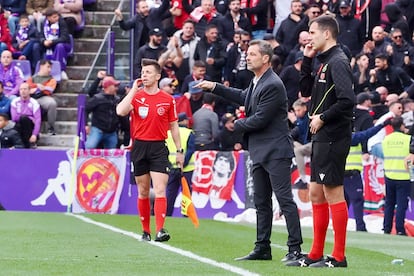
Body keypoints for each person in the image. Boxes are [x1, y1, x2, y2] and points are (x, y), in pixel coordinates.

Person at [195, 39, 303, 262]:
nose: (248, 57)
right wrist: (214, 86)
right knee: (261, 202)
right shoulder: (258, 81)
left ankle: (295, 249)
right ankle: (262, 247)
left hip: (276, 150)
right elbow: (242, 96)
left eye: (252, 53)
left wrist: (238, 123)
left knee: (284, 200)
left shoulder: (273, 83)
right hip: (260, 150)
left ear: (265, 58)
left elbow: (261, 119)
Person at [287, 15, 355, 268]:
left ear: (327, 34)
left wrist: (323, 117)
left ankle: (338, 257)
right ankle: (315, 253)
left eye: (313, 32)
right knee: (315, 193)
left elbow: (348, 100)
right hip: (321, 136)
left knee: (333, 192)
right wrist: (306, 58)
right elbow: (305, 92)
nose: (309, 37)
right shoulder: (323, 61)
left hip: (333, 135)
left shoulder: (338, 61)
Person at [116, 58, 184, 242]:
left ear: (157, 76)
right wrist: (133, 90)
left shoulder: (168, 99)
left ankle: (160, 230)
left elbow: (174, 126)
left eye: (147, 72)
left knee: (160, 189)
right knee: (143, 191)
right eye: (142, 72)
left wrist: (179, 150)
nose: (143, 75)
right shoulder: (136, 97)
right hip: (139, 146)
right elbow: (120, 111)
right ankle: (145, 231)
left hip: (159, 147)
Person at [382, 116, 412, 236]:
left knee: (389, 204)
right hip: (404, 176)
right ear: (401, 126)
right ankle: (400, 229)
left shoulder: (386, 139)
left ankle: (387, 228)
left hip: (389, 174)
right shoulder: (408, 139)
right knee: (401, 205)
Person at [165, 112, 195, 216]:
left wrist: (169, 163)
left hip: (172, 167)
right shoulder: (189, 133)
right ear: (185, 121)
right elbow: (191, 150)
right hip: (186, 169)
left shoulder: (168, 133)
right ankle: (186, 214)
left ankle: (167, 214)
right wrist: (184, 163)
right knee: (186, 193)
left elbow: (164, 150)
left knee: (170, 192)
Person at [85, 75, 121, 149]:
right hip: (98, 130)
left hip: (112, 131)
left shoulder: (117, 99)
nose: (116, 88)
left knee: (113, 155)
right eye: (114, 85)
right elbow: (86, 110)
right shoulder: (97, 98)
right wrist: (85, 124)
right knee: (89, 147)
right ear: (109, 86)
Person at [27, 59, 58, 135]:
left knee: (52, 103)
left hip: (43, 97)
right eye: (48, 67)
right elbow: (28, 87)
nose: (49, 69)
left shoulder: (52, 79)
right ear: (41, 66)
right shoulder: (32, 77)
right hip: (31, 98)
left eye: (50, 67)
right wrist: (37, 86)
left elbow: (49, 90)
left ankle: (51, 127)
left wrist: (36, 89)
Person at [39, 8, 72, 80]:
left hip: (63, 44)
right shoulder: (43, 23)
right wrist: (43, 41)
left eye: (57, 16)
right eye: (54, 17)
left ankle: (61, 70)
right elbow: (40, 36)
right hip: (48, 44)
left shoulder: (61, 22)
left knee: (59, 46)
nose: (57, 18)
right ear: (48, 18)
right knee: (36, 46)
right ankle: (40, 70)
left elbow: (64, 37)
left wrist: (52, 42)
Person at [10, 82, 42, 148]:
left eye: (25, 89)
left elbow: (38, 120)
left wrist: (34, 134)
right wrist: (31, 118)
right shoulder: (15, 101)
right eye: (21, 89)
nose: (23, 91)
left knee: (24, 119)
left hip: (29, 126)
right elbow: (14, 118)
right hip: (18, 125)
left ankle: (29, 143)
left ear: (29, 91)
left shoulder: (34, 102)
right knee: (22, 119)